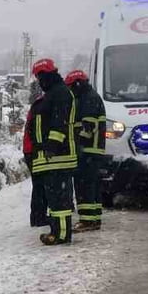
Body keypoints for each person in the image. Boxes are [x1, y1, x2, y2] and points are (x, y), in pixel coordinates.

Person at [28, 58, 78, 245]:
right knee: (54, 198)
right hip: (50, 157)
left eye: (40, 76)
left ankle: (62, 234)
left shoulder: (61, 94)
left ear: (47, 75)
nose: (39, 81)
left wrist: (51, 146)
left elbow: (59, 123)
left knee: (60, 199)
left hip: (59, 155)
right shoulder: (53, 93)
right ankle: (57, 231)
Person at [65, 69, 106, 231]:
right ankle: (94, 218)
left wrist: (75, 144)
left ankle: (87, 220)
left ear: (77, 84)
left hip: (87, 150)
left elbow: (87, 127)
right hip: (93, 151)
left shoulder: (87, 99)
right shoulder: (91, 96)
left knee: (84, 185)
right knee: (93, 185)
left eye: (71, 87)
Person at [22, 93, 47, 227]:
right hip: (33, 150)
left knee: (39, 184)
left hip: (30, 149)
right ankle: (38, 217)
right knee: (40, 184)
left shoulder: (38, 104)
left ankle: (38, 216)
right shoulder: (42, 105)